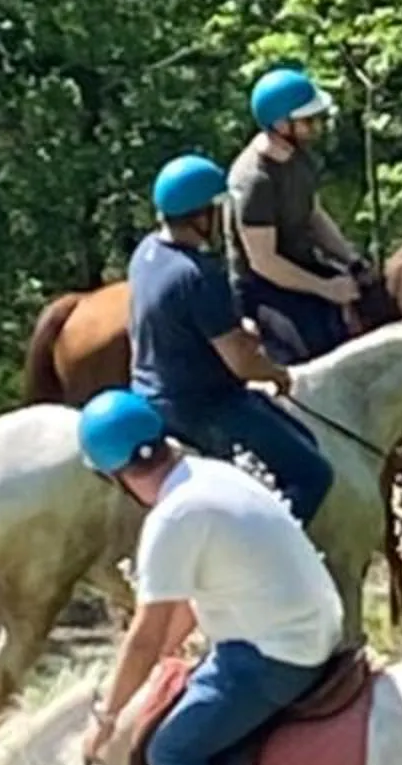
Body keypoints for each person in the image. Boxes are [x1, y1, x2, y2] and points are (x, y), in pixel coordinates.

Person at [77, 389, 340, 765]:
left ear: (116, 477)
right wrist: (157, 670)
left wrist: (105, 717)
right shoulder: (212, 475)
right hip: (308, 626)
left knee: (170, 752)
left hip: (274, 653)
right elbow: (187, 611)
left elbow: (147, 634)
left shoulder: (173, 518)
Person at [127, 155, 333, 525]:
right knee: (314, 474)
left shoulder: (146, 254)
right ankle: (268, 554)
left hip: (148, 394)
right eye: (218, 210)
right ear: (201, 216)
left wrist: (239, 332)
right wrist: (276, 373)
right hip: (202, 406)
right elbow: (241, 363)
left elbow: (183, 325)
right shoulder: (199, 275)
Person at [226, 67, 369, 368]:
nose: (316, 126)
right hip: (263, 287)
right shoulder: (255, 180)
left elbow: (313, 214)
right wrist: (326, 289)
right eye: (308, 120)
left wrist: (351, 259)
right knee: (309, 349)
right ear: (280, 124)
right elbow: (264, 262)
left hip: (302, 267)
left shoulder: (300, 156)